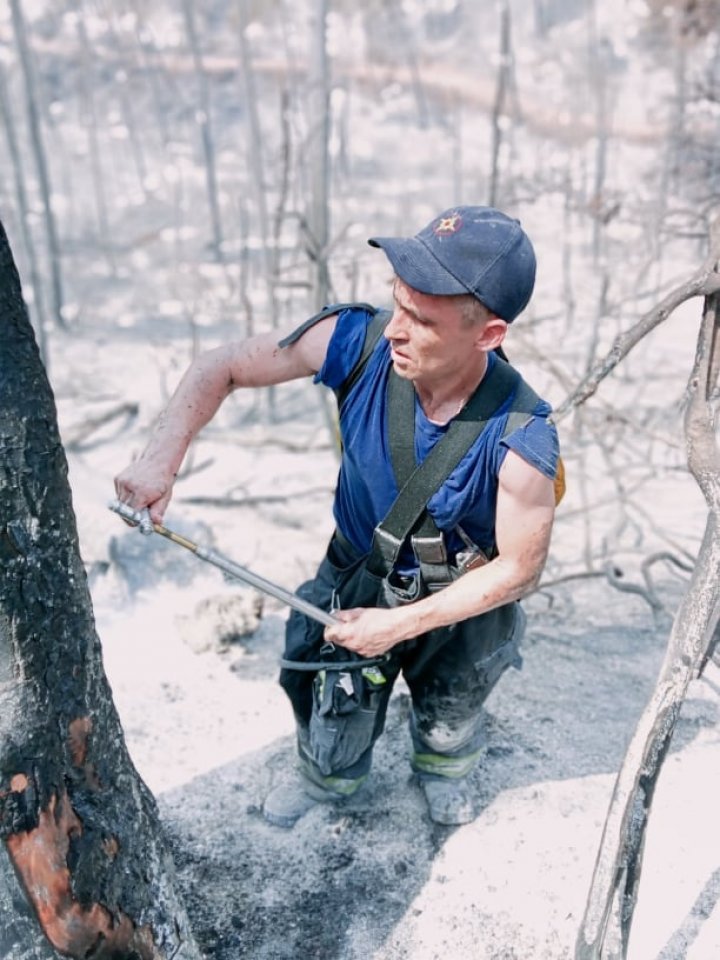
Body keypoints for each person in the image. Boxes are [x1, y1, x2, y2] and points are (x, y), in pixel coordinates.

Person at [114, 205, 559, 827]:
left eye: (422, 320)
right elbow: (223, 365)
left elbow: (518, 571)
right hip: (358, 572)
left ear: (487, 334)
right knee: (332, 713)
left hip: (464, 599)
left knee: (451, 710)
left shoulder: (521, 437)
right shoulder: (359, 339)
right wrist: (161, 459)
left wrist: (401, 625)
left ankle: (440, 768)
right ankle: (329, 781)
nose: (397, 329)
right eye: (397, 303)